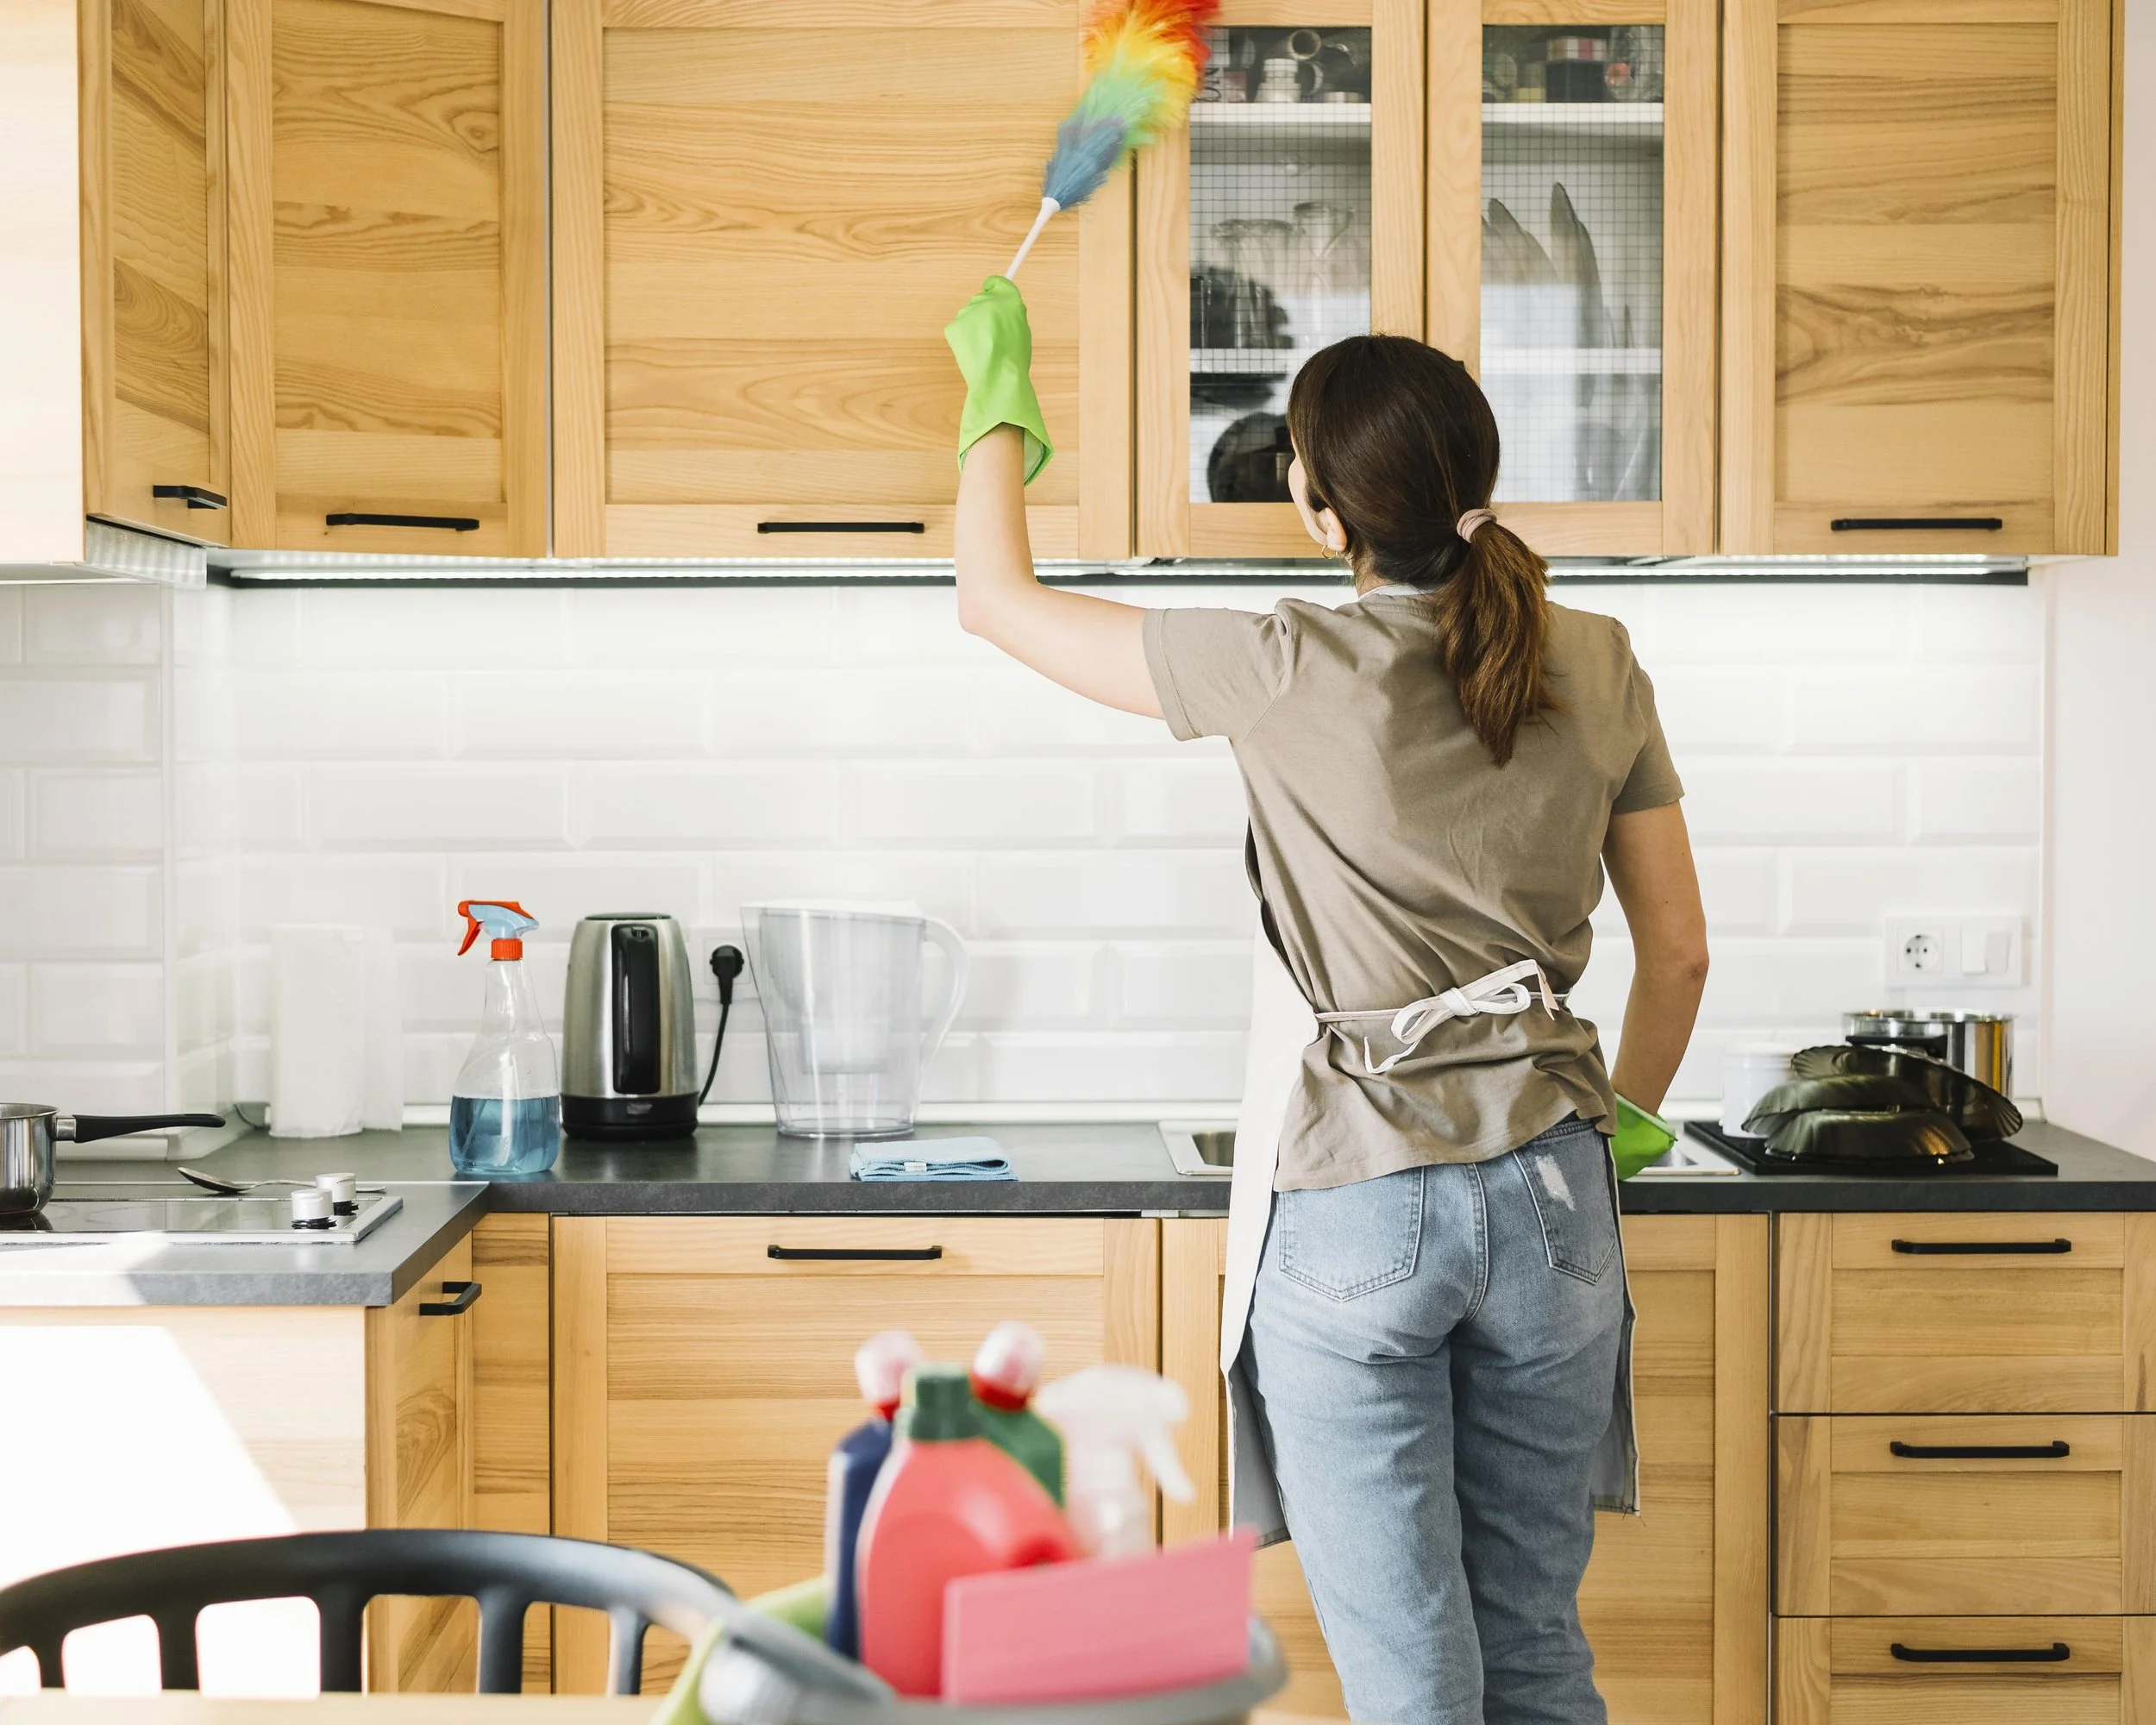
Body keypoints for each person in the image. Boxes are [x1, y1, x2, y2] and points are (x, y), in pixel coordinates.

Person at [944, 278, 1710, 1725]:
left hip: (1361, 1204)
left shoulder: (1280, 658)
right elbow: (1678, 954)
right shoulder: (1599, 657)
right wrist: (1628, 1126)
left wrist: (999, 403)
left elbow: (996, 602)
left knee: (1416, 1673)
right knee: (1536, 1646)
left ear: (1313, 501)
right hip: (1557, 1195)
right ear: (1476, 479)